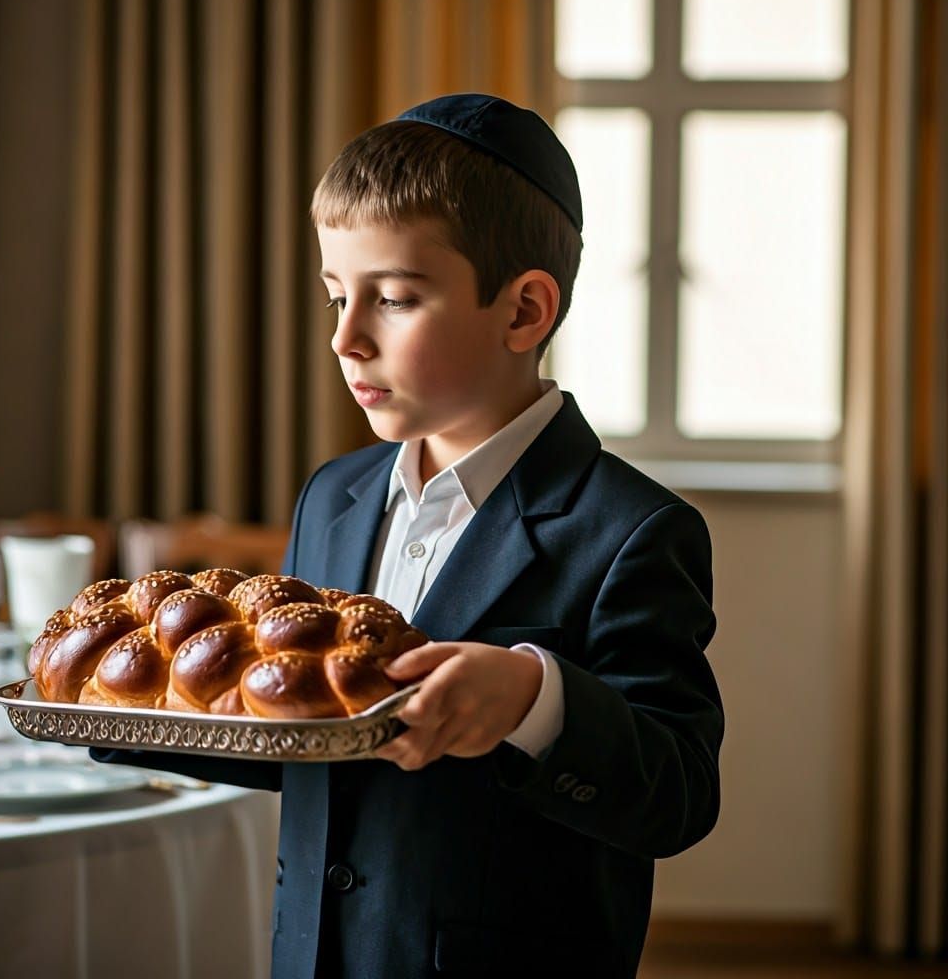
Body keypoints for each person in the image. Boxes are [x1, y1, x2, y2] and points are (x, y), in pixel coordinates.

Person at [93, 93, 723, 979]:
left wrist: (532, 700)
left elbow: (680, 795)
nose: (346, 339)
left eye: (392, 299)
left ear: (523, 313)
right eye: (335, 297)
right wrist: (123, 708)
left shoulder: (631, 531)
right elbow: (306, 746)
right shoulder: (334, 497)